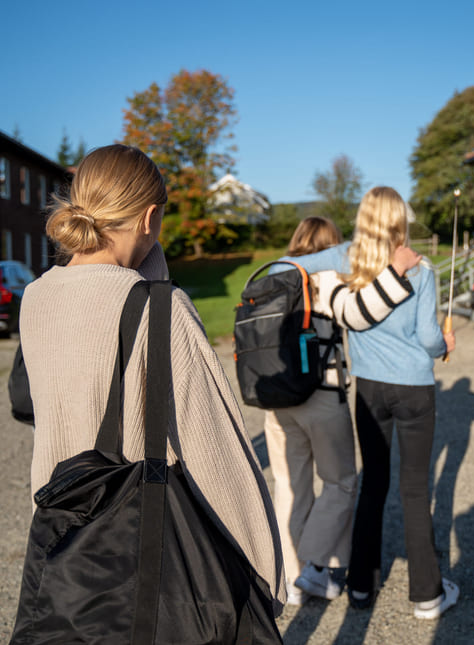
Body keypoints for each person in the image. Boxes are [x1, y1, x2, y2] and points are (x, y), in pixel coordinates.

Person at [18, 145, 287, 619]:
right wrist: (266, 573)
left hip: (63, 545)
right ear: (148, 218)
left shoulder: (35, 297)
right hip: (142, 550)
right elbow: (215, 454)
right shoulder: (162, 310)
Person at [278, 187, 459, 620]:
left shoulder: (347, 258)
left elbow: (292, 265)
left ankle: (361, 587)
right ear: (400, 220)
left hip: (371, 389)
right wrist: (446, 344)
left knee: (374, 482)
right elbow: (431, 340)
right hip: (415, 388)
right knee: (415, 489)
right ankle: (427, 596)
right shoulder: (422, 268)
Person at [265, 216, 421, 606]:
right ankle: (313, 567)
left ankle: (288, 576)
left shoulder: (276, 275)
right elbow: (356, 315)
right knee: (341, 482)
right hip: (321, 394)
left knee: (289, 484)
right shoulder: (328, 276)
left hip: (275, 399)